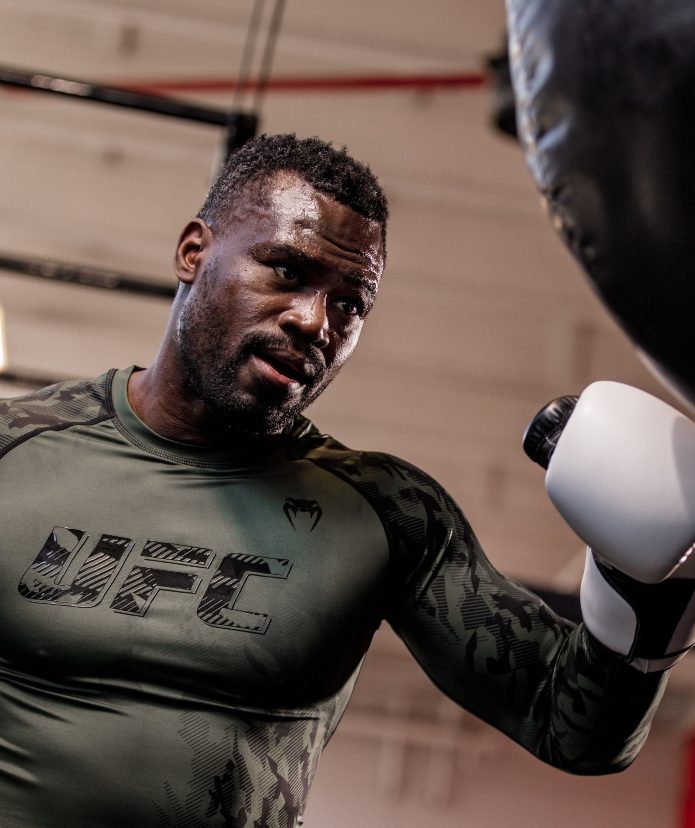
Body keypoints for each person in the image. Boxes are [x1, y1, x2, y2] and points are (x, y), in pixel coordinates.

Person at [0, 133, 673, 828]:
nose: (314, 321)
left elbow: (574, 728)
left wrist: (650, 588)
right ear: (194, 252)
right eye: (286, 270)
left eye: (351, 305)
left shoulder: (389, 513)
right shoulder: (15, 447)